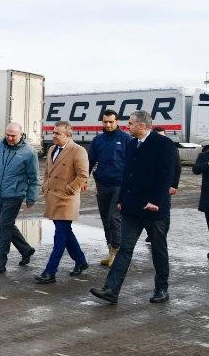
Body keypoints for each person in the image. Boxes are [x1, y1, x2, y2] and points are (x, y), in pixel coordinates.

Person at [90, 110, 177, 304]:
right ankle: (111, 289)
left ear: (142, 126)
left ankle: (161, 288)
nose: (127, 126)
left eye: (130, 123)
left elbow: (166, 176)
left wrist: (155, 201)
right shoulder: (132, 143)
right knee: (124, 248)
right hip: (131, 207)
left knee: (158, 249)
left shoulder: (163, 144)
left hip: (153, 209)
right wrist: (122, 199)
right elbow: (127, 174)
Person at [0, 122, 40, 273]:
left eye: (13, 136)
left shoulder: (29, 152)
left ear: (21, 135)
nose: (10, 138)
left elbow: (34, 177)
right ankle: (26, 250)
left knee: (4, 228)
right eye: (8, 135)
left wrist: (31, 197)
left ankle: (0, 262)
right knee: (7, 225)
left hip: (15, 195)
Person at [34, 122, 90, 284]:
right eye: (53, 132)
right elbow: (47, 172)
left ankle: (50, 271)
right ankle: (80, 260)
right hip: (53, 197)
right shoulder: (52, 149)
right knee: (65, 232)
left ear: (68, 135)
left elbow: (83, 175)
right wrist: (45, 186)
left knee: (60, 235)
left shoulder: (78, 151)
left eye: (57, 133)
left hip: (67, 199)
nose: (54, 136)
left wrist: (69, 189)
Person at [87, 109, 132, 267]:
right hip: (102, 184)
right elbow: (90, 160)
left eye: (111, 121)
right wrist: (84, 178)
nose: (108, 124)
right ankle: (111, 250)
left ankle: (117, 252)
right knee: (106, 219)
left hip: (119, 185)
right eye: (105, 122)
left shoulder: (126, 139)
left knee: (115, 218)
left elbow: (133, 163)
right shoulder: (98, 140)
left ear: (117, 121)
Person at [145, 126, 180, 246]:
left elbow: (177, 167)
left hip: (166, 186)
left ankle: (162, 235)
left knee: (164, 211)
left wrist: (174, 185)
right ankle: (151, 235)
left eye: (163, 135)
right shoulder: (149, 148)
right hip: (150, 187)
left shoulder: (171, 148)